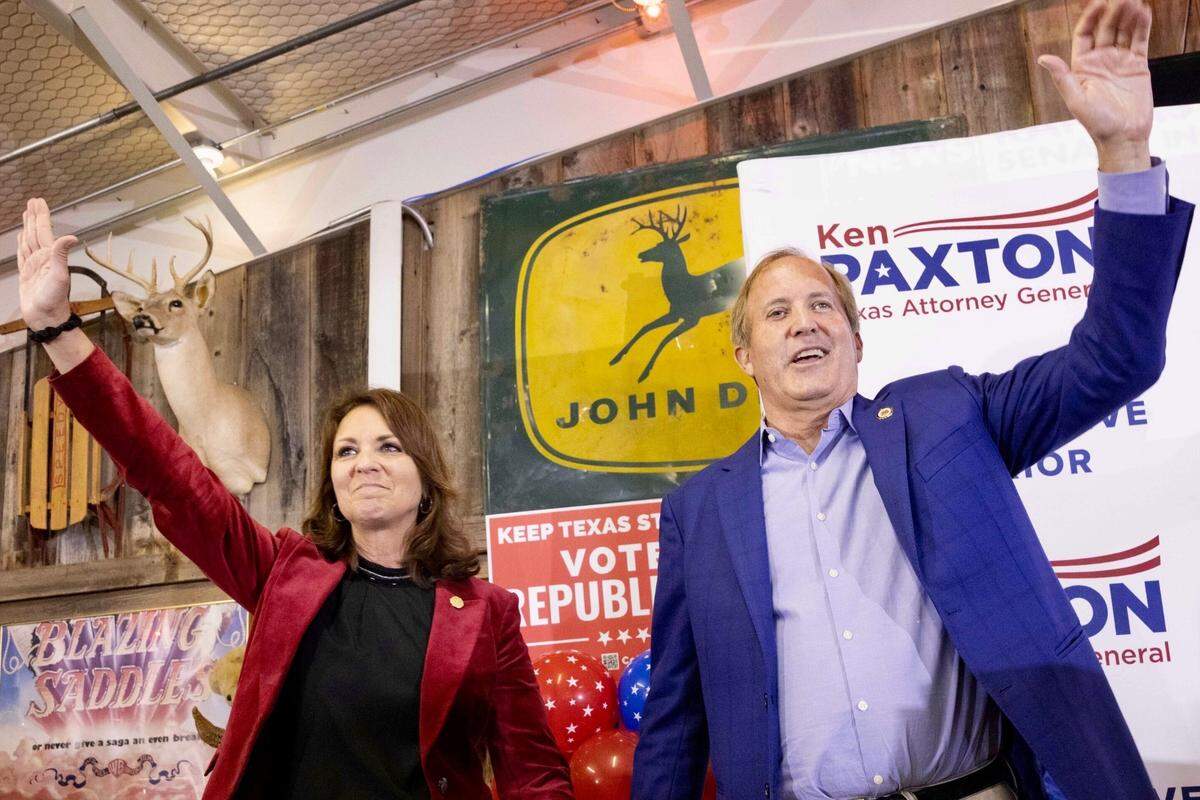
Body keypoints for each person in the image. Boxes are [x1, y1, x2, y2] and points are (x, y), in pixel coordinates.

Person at [631, 1, 1193, 799]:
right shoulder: (700, 513)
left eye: (825, 306)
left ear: (857, 343)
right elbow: (676, 721)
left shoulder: (946, 418)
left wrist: (1125, 152)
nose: (805, 325)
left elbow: (1117, 359)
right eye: (778, 314)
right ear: (744, 356)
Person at [16, 201, 573, 799]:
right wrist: (56, 329)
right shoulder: (285, 573)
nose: (364, 463)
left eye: (388, 446)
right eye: (346, 451)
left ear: (426, 475)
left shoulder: (487, 613)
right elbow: (168, 471)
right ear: (332, 480)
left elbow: (533, 772)